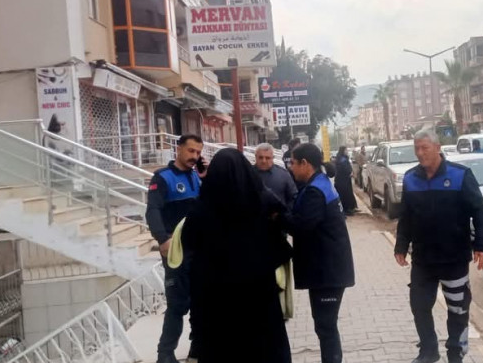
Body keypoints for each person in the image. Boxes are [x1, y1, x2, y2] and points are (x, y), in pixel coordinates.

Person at [181, 149, 292, 362]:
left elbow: (188, 243)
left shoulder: (201, 208)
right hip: (258, 294)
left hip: (216, 300)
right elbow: (283, 221)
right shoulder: (261, 201)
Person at [394, 130, 483, 363]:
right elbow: (406, 215)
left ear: (438, 148)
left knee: (457, 309)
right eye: (416, 148)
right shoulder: (410, 178)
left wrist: (482, 247)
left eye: (424, 148)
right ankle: (428, 350)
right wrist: (400, 245)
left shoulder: (460, 176)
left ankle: (455, 353)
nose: (420, 153)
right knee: (419, 306)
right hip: (423, 259)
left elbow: (480, 213)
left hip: (454, 259)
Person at [284, 144, 355, 363]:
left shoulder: (315, 190)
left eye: (293, 163)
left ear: (305, 164)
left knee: (326, 325)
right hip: (327, 268)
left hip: (328, 270)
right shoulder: (318, 183)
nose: (291, 167)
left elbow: (301, 226)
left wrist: (277, 215)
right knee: (324, 324)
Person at [145, 135, 205, 363]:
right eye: (191, 151)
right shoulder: (163, 178)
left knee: (201, 302)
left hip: (199, 250)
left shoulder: (196, 176)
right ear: (178, 149)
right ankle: (165, 354)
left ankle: (197, 349)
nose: (194, 157)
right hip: (176, 251)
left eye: (198, 153)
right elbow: (152, 210)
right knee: (178, 305)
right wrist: (162, 239)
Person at [255, 143, 298, 208]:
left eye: (267, 158)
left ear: (273, 158)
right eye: (260, 157)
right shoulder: (247, 174)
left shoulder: (283, 175)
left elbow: (293, 197)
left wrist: (285, 213)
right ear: (255, 157)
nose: (264, 161)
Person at [333, 146, 358, 215]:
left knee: (348, 194)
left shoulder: (343, 158)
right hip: (342, 180)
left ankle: (350, 208)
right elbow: (343, 169)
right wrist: (349, 173)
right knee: (344, 195)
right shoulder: (341, 159)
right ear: (343, 151)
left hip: (346, 180)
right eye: (346, 150)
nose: (347, 151)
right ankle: (346, 210)